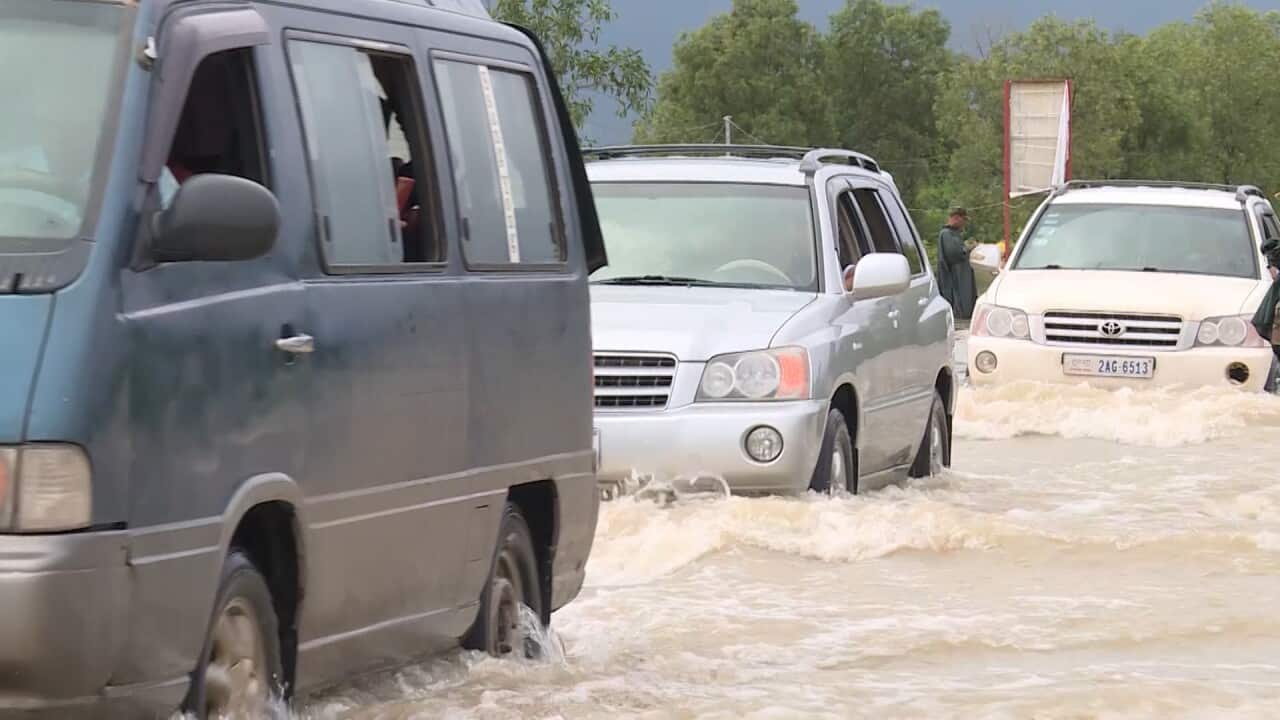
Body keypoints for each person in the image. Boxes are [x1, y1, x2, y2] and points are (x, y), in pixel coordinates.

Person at [937, 206, 978, 322]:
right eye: (963, 220)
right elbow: (953, 254)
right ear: (956, 218)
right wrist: (969, 249)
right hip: (953, 280)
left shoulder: (954, 234)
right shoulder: (946, 234)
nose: (964, 223)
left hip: (959, 278)